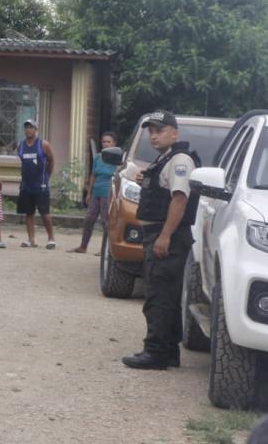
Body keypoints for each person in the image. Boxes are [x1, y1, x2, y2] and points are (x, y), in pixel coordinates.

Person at [122, 111, 200, 370]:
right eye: (151, 131)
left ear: (174, 133)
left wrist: (165, 235)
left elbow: (180, 199)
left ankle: (154, 352)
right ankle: (167, 351)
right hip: (161, 234)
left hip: (167, 236)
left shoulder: (180, 160)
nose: (154, 135)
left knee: (158, 295)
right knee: (166, 294)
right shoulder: (166, 159)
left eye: (160, 130)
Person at [70, 131, 118, 254]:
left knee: (106, 222)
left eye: (108, 142)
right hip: (96, 191)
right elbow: (93, 175)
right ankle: (83, 246)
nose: (106, 144)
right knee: (89, 219)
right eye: (104, 142)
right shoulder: (97, 157)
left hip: (108, 193)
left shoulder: (117, 159)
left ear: (114, 143)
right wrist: (89, 192)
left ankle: (106, 250)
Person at [16, 120, 57, 249]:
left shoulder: (43, 144)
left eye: (31, 127)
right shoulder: (21, 146)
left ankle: (51, 238)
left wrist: (46, 177)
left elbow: (51, 161)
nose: (28, 130)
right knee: (29, 213)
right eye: (26, 127)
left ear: (36, 129)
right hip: (26, 185)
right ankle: (31, 239)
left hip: (41, 184)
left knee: (45, 212)